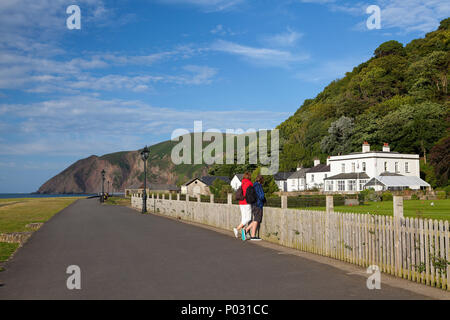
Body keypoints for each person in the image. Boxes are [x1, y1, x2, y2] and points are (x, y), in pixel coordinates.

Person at [245, 175, 265, 241]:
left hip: (253, 204)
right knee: (257, 220)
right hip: (258, 205)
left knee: (256, 219)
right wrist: (264, 199)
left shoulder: (254, 185)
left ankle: (247, 229)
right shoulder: (258, 186)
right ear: (261, 180)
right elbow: (261, 196)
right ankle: (253, 236)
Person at [233, 172, 253, 240]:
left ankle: (243, 235)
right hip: (246, 202)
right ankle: (237, 228)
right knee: (249, 218)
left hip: (241, 202)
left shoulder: (242, 183)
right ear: (249, 177)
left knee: (243, 218)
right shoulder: (249, 183)